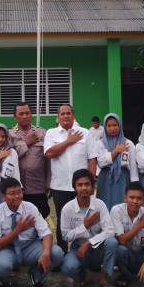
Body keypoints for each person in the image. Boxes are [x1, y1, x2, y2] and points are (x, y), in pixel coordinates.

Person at [0, 177, 64, 287]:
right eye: (12, 193)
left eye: (20, 192)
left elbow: (46, 233)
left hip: (29, 246)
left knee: (57, 253)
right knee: (0, 266)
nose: (18, 196)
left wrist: (46, 253)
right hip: (8, 248)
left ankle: (36, 274)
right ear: (3, 196)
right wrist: (17, 230)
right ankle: (4, 279)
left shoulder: (30, 207)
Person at [43, 104, 98, 254]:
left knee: (85, 218)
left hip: (82, 187)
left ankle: (86, 251)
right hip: (59, 186)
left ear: (74, 116)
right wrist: (69, 141)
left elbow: (92, 159)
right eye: (63, 114)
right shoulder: (51, 133)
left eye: (69, 113)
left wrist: (92, 183)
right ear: (58, 117)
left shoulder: (85, 133)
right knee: (62, 220)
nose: (66, 116)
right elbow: (49, 153)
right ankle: (62, 252)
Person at [59, 169, 119, 287]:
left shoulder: (100, 205)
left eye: (87, 184)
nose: (84, 188)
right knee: (68, 267)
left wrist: (88, 243)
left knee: (112, 242)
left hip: (98, 249)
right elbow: (65, 237)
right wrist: (85, 225)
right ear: (74, 187)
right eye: (79, 185)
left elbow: (109, 231)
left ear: (93, 187)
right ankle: (80, 271)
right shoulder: (67, 209)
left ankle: (103, 279)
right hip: (78, 250)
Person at [8, 102, 50, 218]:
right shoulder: (9, 134)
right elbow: (8, 158)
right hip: (17, 188)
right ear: (15, 116)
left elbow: (48, 160)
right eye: (21, 114)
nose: (25, 116)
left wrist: (48, 182)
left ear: (31, 115)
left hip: (38, 187)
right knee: (18, 218)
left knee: (41, 216)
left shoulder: (41, 132)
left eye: (27, 113)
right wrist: (26, 143)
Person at [95, 113, 138, 211]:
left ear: (120, 126)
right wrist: (116, 151)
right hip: (106, 179)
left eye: (115, 125)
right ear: (105, 127)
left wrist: (134, 185)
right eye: (109, 126)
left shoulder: (128, 143)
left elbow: (133, 167)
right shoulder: (100, 143)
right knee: (104, 205)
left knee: (122, 206)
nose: (112, 128)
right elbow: (101, 163)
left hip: (123, 178)